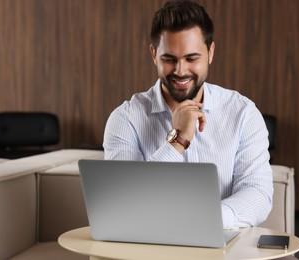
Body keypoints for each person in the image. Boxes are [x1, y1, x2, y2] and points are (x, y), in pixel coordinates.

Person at [103, 0, 273, 229]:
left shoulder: (243, 113)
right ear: (154, 54)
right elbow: (124, 202)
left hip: (222, 241)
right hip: (147, 246)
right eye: (169, 59)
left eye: (192, 59)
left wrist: (201, 220)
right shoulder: (125, 119)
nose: (180, 71)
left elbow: (257, 194)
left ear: (210, 52)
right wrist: (177, 140)